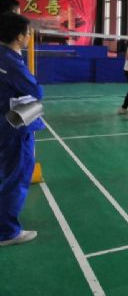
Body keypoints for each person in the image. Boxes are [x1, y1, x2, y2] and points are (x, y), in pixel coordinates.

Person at [0, 13, 44, 246]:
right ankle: (7, 232)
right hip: (14, 125)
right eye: (28, 33)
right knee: (16, 175)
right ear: (19, 36)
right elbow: (35, 90)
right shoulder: (11, 62)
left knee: (7, 172)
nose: (29, 37)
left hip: (5, 122)